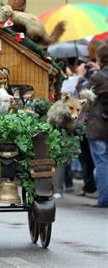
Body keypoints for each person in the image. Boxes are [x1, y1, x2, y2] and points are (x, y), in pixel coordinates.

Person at [84, 44, 108, 208]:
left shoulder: (98, 77)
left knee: (101, 163)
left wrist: (82, 77)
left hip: (98, 126)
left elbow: (83, 95)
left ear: (100, 59)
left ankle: (104, 198)